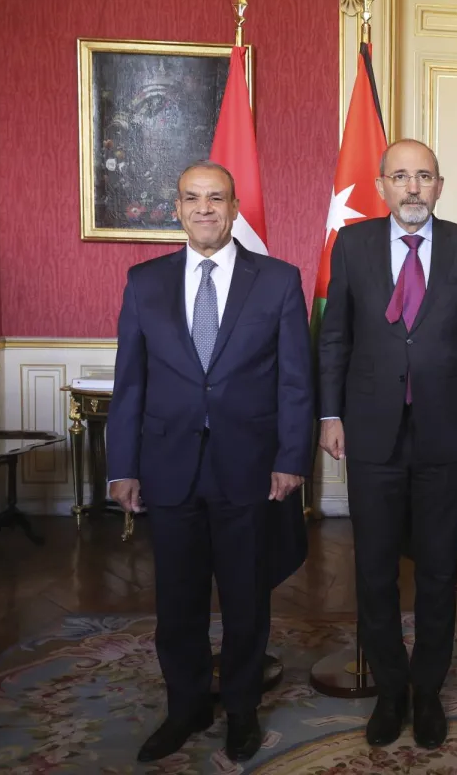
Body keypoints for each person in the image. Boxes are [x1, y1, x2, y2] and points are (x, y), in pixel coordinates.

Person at [106, 161, 314, 763]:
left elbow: (295, 382)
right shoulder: (144, 283)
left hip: (249, 467)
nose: (204, 208)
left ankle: (242, 710)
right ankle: (187, 707)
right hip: (168, 466)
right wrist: (122, 467)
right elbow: (130, 383)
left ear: (234, 208)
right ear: (177, 209)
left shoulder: (277, 280)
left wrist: (291, 458)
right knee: (178, 601)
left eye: (216, 198)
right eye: (192, 198)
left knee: (246, 598)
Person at [318, 139, 457, 749]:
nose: (413, 187)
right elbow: (335, 337)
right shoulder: (353, 244)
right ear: (381, 186)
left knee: (440, 570)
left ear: (440, 186)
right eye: (401, 176)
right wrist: (330, 413)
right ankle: (391, 689)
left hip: (447, 428)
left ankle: (427, 691)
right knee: (374, 570)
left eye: (424, 176)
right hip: (371, 429)